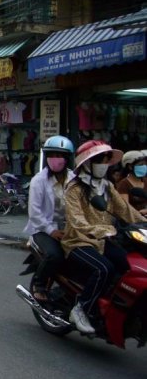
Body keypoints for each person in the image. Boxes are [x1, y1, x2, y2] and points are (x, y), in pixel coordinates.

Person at [61, 140, 145, 334]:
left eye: (107, 160)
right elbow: (76, 221)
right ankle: (81, 308)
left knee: (129, 266)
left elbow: (125, 210)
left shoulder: (107, 186)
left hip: (104, 239)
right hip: (79, 241)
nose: (104, 164)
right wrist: (103, 230)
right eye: (100, 159)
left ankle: (113, 308)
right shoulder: (74, 189)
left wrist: (142, 222)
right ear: (88, 163)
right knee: (103, 269)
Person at [23, 135, 76, 301]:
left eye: (59, 155)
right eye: (52, 155)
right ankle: (39, 284)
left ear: (68, 158)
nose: (55, 159)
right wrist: (51, 231)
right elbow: (34, 212)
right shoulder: (39, 180)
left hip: (70, 228)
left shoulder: (75, 179)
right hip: (43, 229)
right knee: (55, 255)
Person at [116, 150, 147, 215]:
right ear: (130, 167)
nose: (144, 167)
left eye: (145, 164)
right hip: (132, 221)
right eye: (141, 164)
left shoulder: (146, 181)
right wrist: (139, 213)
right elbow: (125, 208)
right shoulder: (123, 184)